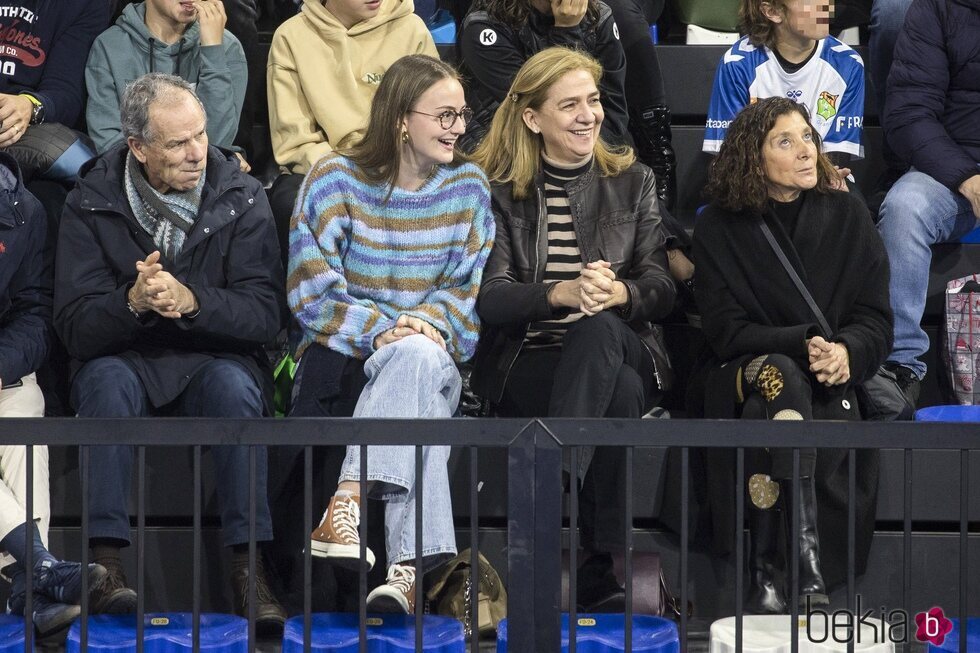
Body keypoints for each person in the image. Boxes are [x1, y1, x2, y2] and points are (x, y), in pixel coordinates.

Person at [53, 73, 287, 629]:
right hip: (123, 354)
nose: (197, 153)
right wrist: (131, 302)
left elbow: (263, 315)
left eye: (201, 135)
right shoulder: (90, 201)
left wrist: (192, 300)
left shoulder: (242, 195)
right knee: (106, 385)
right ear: (137, 147)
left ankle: (248, 569)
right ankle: (106, 565)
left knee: (234, 389)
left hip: (212, 355)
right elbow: (75, 328)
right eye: (177, 143)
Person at [469, 47, 676, 612]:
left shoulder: (633, 182)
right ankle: (596, 566)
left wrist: (623, 294)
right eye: (569, 106)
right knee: (621, 394)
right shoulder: (498, 191)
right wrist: (558, 294)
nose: (588, 115)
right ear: (533, 118)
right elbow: (489, 298)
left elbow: (662, 285)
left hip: (625, 345)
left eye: (592, 101)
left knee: (600, 332)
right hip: (530, 362)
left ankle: (545, 493)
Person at [288, 55, 494, 613]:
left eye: (463, 115)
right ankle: (406, 573)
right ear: (402, 118)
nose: (458, 127)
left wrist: (418, 329)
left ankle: (348, 500)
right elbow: (311, 292)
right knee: (416, 362)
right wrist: (384, 331)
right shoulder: (333, 179)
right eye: (444, 115)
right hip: (347, 353)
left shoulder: (469, 188)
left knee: (420, 355)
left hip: (436, 353)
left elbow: (462, 298)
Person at [691, 97, 891, 613]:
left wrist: (848, 352)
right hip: (741, 370)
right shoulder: (717, 226)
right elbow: (725, 333)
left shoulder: (849, 213)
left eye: (808, 137)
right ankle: (806, 566)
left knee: (775, 402)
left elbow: (876, 318)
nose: (806, 151)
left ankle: (766, 572)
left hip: (823, 380)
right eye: (786, 141)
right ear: (752, 158)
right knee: (780, 373)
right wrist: (802, 342)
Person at [0, 150, 107, 639]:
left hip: (3, 373)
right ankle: (38, 568)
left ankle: (28, 585)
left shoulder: (21, 209)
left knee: (27, 408)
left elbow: (35, 311)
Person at [459, 0, 676, 210]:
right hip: (512, 151)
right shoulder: (484, 25)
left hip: (583, 146)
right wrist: (567, 32)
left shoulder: (599, 17)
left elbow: (614, 117)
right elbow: (541, 114)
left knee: (645, 211)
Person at [267, 0, 438, 264]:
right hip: (329, 170)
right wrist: (350, 176)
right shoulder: (291, 37)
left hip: (400, 163)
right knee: (289, 201)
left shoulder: (411, 29)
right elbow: (295, 139)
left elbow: (430, 117)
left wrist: (393, 166)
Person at [875, 0, 979, 406]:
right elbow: (909, 111)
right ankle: (901, 370)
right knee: (904, 209)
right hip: (954, 165)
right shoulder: (937, 8)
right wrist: (966, 178)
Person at [702, 0, 864, 175]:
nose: (825, 6)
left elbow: (836, 159)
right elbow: (731, 158)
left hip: (821, 181)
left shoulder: (848, 64)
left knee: (849, 201)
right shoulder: (736, 64)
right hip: (756, 184)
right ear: (772, 11)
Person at [86, 0, 250, 171]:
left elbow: (218, 141)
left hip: (203, 178)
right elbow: (108, 144)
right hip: (130, 178)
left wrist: (212, 51)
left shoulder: (226, 47)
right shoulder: (110, 45)